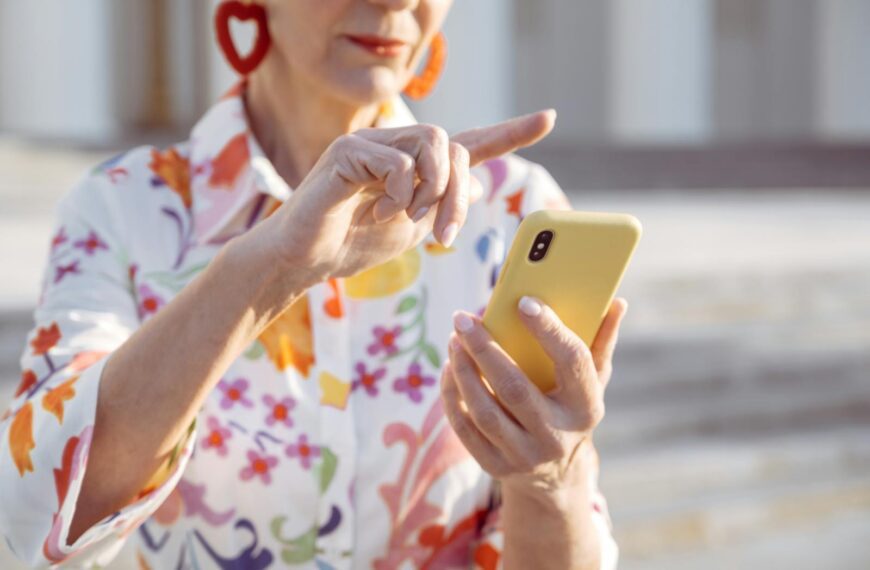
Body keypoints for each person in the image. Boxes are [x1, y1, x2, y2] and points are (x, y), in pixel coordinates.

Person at [0, 1, 626, 568]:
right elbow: (31, 513)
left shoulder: (512, 213)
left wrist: (551, 478)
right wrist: (269, 268)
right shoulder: (121, 207)